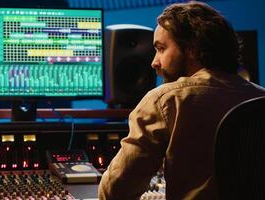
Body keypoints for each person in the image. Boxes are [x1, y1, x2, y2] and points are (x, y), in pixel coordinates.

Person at [98, 1, 265, 200]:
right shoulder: (260, 97)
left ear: (192, 49)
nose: (154, 62)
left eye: (161, 49)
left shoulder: (165, 101)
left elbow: (115, 192)